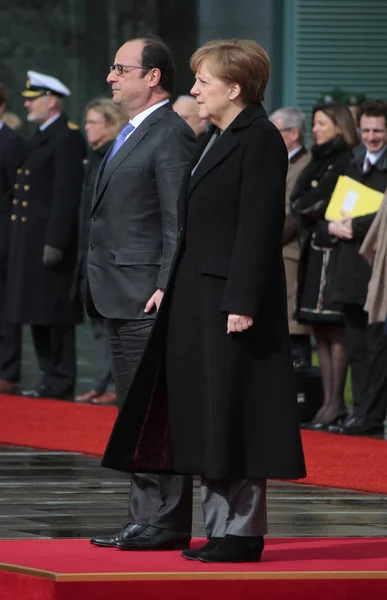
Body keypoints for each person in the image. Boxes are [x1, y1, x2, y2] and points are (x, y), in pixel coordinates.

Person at [101, 38, 306, 564]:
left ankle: (240, 532)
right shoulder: (219, 135)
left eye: (204, 81)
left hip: (231, 305)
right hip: (200, 299)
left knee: (235, 416)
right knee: (210, 418)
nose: (193, 90)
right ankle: (221, 530)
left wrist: (241, 300)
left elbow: (258, 228)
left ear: (234, 88)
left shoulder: (258, 137)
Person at [88, 37, 196, 551]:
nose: (111, 77)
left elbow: (178, 221)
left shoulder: (169, 133)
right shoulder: (133, 131)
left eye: (120, 68)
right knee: (135, 410)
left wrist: (164, 285)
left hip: (144, 295)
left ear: (152, 76)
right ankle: (144, 516)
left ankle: (166, 521)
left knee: (154, 411)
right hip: (118, 290)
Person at [5, 71, 86, 399]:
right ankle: (48, 376)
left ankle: (60, 377)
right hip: (30, 240)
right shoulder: (40, 136)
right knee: (36, 312)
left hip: (51, 243)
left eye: (32, 98)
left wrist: (55, 241)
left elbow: (66, 196)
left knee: (54, 314)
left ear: (51, 100)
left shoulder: (65, 137)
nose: (26, 103)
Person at [291, 103, 358, 430]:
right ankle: (330, 403)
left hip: (334, 254)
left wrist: (316, 206)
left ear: (338, 126)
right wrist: (314, 206)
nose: (314, 129)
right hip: (315, 250)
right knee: (320, 329)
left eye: (320, 123)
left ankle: (336, 404)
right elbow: (299, 201)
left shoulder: (345, 160)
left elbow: (322, 204)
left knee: (334, 328)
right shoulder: (319, 160)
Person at [325, 100, 387, 436]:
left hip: (377, 269)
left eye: (378, 130)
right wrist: (333, 225)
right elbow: (329, 207)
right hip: (348, 266)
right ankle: (358, 412)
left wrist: (355, 226)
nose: (372, 137)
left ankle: (372, 416)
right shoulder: (350, 163)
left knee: (376, 347)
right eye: (366, 130)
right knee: (356, 345)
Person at [73, 98, 127, 405]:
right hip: (91, 252)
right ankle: (101, 382)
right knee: (98, 326)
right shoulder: (93, 157)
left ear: (109, 124)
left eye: (93, 122)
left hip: (108, 255)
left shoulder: (112, 156)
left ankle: (112, 385)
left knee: (111, 327)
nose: (87, 128)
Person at [270, 106, 311, 368]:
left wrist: (263, 238)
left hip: (288, 252)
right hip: (278, 252)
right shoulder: (282, 159)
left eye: (277, 132)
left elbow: (290, 213)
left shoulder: (303, 165)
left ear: (293, 133)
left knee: (292, 328)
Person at [0, 83, 26, 394]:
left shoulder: (11, 142)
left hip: (4, 234)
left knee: (5, 305)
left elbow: (16, 193)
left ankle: (7, 369)